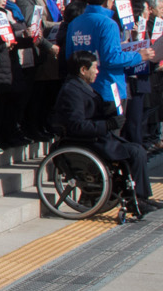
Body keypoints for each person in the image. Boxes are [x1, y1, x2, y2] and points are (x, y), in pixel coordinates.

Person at [53, 49, 152, 203]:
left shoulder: (81, 86)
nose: (97, 71)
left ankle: (141, 197)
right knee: (136, 151)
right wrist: (107, 124)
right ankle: (138, 198)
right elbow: (76, 125)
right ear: (83, 70)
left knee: (137, 150)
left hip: (95, 138)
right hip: (85, 141)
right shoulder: (72, 91)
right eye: (94, 68)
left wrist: (108, 112)